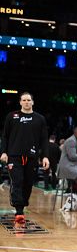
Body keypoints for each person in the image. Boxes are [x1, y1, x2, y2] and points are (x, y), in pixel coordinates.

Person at [0, 92, 49, 225]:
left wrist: (45, 156)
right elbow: (5, 136)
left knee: (28, 183)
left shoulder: (40, 119)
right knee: (17, 181)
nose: (26, 102)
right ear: (20, 102)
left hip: (32, 156)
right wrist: (3, 152)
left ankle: (22, 204)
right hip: (14, 156)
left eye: (29, 100)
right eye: (24, 100)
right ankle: (19, 211)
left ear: (33, 102)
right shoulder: (12, 116)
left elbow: (44, 139)